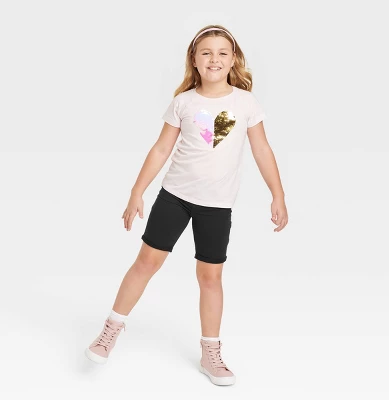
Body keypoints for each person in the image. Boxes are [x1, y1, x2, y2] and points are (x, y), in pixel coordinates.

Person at [85, 24, 288, 386]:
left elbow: (262, 149)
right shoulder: (184, 102)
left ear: (233, 60)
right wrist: (137, 192)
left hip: (217, 206)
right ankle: (110, 330)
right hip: (175, 198)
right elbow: (161, 149)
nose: (214, 59)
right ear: (194, 60)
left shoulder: (245, 103)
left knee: (210, 278)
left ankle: (211, 352)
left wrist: (278, 194)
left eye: (222, 53)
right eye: (206, 52)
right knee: (146, 263)